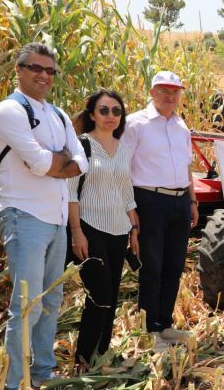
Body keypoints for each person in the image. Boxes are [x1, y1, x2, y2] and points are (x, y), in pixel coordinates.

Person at [0, 43, 88, 390]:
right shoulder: (9, 111)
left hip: (56, 220)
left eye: (50, 70)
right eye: (35, 68)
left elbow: (81, 160)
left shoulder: (58, 115)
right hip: (24, 215)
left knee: (51, 301)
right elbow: (40, 164)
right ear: (18, 70)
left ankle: (44, 375)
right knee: (27, 306)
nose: (44, 75)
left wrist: (62, 161)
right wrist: (61, 161)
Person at [121, 71, 197, 353]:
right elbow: (123, 168)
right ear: (152, 92)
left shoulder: (181, 126)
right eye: (164, 90)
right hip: (149, 201)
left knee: (174, 266)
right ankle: (149, 329)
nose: (170, 96)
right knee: (152, 267)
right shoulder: (135, 124)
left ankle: (164, 324)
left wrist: (192, 201)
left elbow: (187, 167)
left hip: (178, 202)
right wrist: (131, 212)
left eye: (175, 91)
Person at [68, 89, 140, 365]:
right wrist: (76, 232)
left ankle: (102, 354)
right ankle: (84, 358)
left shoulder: (123, 149)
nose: (111, 116)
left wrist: (134, 230)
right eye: (104, 110)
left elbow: (126, 193)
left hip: (119, 230)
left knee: (111, 296)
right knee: (99, 295)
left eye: (117, 111)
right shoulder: (82, 146)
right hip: (89, 228)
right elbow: (71, 192)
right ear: (92, 115)